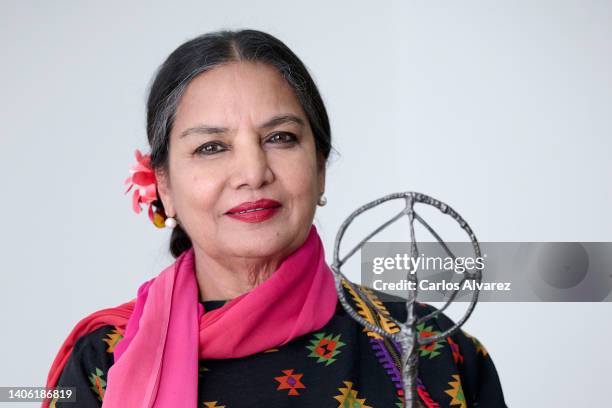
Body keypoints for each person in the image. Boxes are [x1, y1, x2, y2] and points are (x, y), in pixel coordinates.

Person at [43, 29, 507, 408]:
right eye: (211, 147)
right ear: (164, 185)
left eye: (281, 138)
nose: (252, 173)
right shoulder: (102, 362)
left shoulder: (430, 349)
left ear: (320, 168)